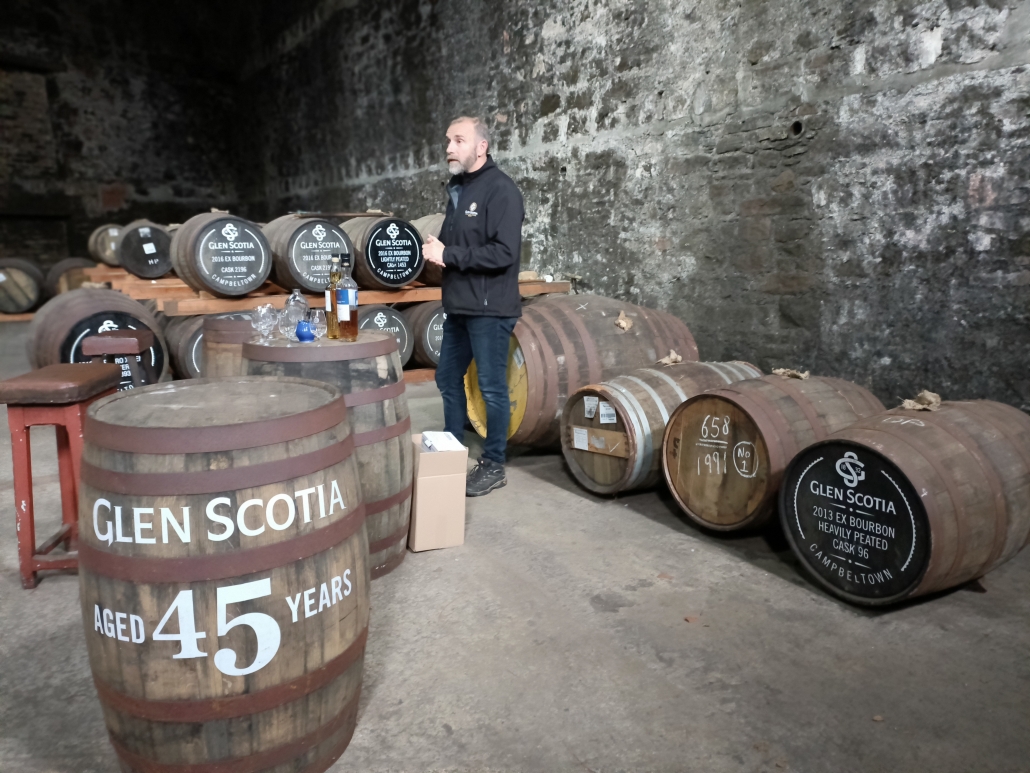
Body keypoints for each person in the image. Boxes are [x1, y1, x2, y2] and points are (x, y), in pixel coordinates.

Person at [422, 116, 524, 497]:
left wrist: (449, 253)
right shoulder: (459, 188)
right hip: (460, 306)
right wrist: (439, 250)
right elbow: (457, 246)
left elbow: (503, 253)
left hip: (490, 307)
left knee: (492, 388)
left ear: (481, 146)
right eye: (448, 140)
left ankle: (494, 463)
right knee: (447, 378)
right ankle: (450, 446)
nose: (449, 147)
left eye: (458, 140)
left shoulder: (502, 190)